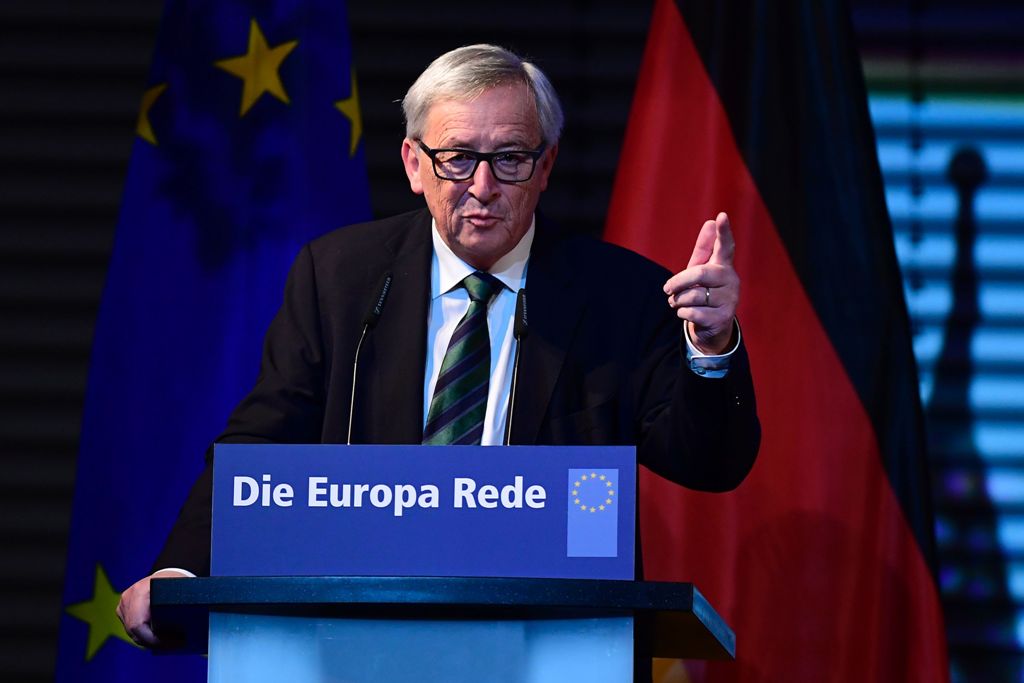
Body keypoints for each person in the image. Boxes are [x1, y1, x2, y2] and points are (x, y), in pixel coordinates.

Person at [117, 43, 760, 647]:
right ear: (414, 164)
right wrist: (184, 568)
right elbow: (265, 437)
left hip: (555, 638)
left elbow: (708, 463)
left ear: (547, 165)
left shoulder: (622, 294)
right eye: (457, 158)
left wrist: (713, 346)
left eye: (510, 158)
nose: (483, 188)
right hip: (362, 628)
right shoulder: (341, 276)